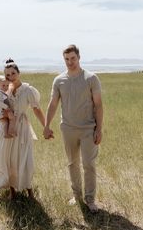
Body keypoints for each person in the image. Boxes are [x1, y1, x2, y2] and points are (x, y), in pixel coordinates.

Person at [43, 45, 103, 212]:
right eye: (67, 59)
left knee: (89, 164)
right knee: (72, 163)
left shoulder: (91, 78)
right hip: (68, 129)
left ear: (79, 57)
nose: (70, 62)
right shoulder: (59, 80)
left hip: (88, 129)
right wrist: (46, 126)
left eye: (73, 58)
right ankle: (76, 196)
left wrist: (99, 129)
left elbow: (98, 105)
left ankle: (90, 199)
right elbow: (53, 104)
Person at [0, 58, 45, 199]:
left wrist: (46, 126)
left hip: (22, 128)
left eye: (13, 73)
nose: (10, 77)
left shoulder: (27, 90)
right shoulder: (4, 89)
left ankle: (29, 189)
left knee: (24, 158)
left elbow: (37, 109)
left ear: (19, 73)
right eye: (7, 75)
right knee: (8, 158)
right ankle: (12, 191)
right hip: (5, 127)